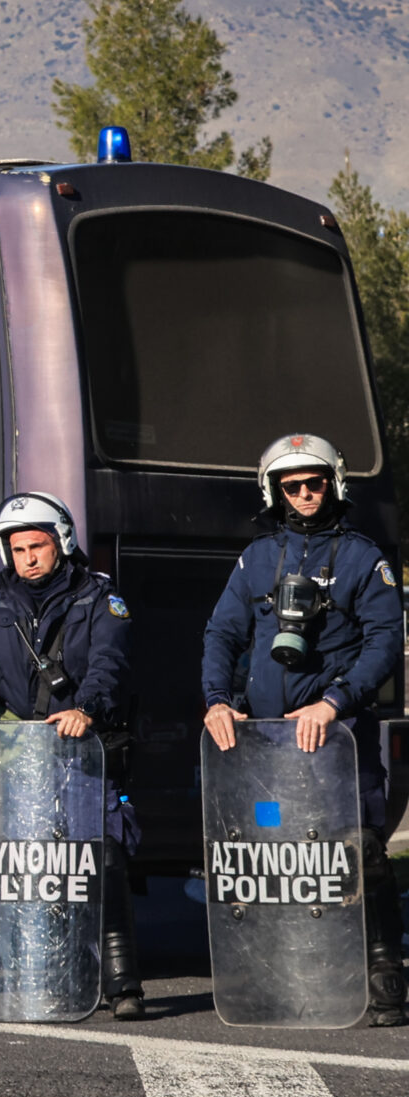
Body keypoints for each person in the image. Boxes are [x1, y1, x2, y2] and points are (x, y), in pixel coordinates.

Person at [200, 433, 404, 1027]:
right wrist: (217, 701)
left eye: (315, 482)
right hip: (265, 740)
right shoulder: (257, 558)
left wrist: (334, 702)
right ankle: (283, 979)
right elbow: (222, 635)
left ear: (334, 482)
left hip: (335, 734)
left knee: (356, 849)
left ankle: (383, 975)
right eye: (292, 485)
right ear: (274, 491)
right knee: (274, 857)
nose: (306, 494)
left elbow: (385, 640)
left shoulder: (365, 558)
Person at [0, 492, 144, 1019]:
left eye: (37, 546)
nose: (28, 558)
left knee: (99, 859)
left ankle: (123, 984)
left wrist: (88, 708)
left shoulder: (98, 598)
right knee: (39, 868)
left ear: (62, 542)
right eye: (17, 549)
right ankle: (62, 976)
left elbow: (111, 662)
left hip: (83, 748)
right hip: (24, 756)